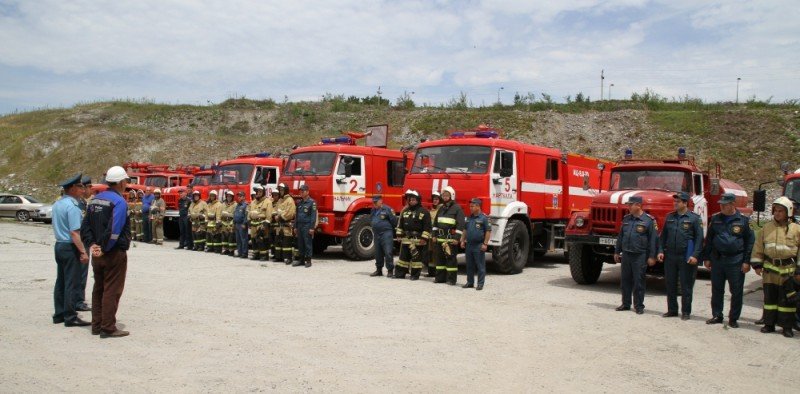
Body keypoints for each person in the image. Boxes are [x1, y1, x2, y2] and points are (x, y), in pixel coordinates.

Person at [81, 165, 131, 338]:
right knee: (112, 290)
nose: (126, 184)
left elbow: (85, 226)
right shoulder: (119, 202)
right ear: (120, 182)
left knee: (99, 288)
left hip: (97, 253)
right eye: (125, 180)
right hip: (112, 252)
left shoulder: (95, 200)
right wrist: (104, 247)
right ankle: (108, 327)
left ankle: (96, 325)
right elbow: (115, 230)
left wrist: (92, 245)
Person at [702, 192, 755, 328]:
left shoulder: (743, 220)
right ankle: (717, 315)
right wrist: (707, 258)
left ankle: (733, 318)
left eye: (725, 205)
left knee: (736, 291)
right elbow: (709, 240)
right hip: (718, 259)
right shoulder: (716, 219)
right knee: (717, 289)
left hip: (736, 260)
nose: (722, 207)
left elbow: (750, 242)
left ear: (733, 204)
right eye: (721, 204)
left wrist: (746, 261)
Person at [750, 197, 800, 337]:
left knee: (787, 301)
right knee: (769, 299)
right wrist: (757, 264)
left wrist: (799, 270)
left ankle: (787, 327)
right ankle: (769, 324)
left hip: (788, 271)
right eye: (775, 211)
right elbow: (758, 247)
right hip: (770, 269)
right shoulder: (767, 228)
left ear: (788, 212)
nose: (777, 214)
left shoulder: (796, 229)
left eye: (781, 211)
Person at [51, 173, 91, 327]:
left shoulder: (58, 204)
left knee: (60, 281)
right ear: (73, 188)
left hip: (59, 245)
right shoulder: (72, 206)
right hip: (69, 246)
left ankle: (59, 313)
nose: (83, 190)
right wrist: (82, 251)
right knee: (72, 282)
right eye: (80, 186)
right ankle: (70, 316)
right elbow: (75, 233)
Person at [657, 192, 704, 320]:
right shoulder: (670, 217)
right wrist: (660, 251)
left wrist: (695, 255)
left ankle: (686, 312)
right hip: (671, 256)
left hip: (686, 256)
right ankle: (672, 310)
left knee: (686, 285)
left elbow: (699, 239)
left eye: (678, 202)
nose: (675, 203)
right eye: (675, 201)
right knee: (670, 284)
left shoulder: (694, 218)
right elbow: (663, 237)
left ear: (685, 203)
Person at [614, 196, 658, 315]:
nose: (628, 207)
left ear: (638, 205)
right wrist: (617, 251)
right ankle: (626, 303)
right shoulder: (627, 219)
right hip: (627, 254)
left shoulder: (649, 220)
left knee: (639, 281)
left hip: (640, 255)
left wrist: (652, 256)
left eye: (630, 205)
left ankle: (639, 305)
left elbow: (653, 240)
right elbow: (621, 236)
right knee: (625, 280)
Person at [395, 190, 431, 280]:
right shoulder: (405, 211)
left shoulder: (424, 212)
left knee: (416, 259)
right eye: (410, 200)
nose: (411, 201)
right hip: (406, 239)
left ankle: (414, 275)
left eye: (414, 200)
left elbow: (427, 227)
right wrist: (399, 235)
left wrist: (424, 238)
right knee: (403, 258)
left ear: (418, 200)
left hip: (418, 240)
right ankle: (400, 274)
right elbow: (401, 225)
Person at [432, 186, 465, 285]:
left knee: (451, 260)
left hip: (451, 239)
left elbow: (460, 224)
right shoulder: (441, 208)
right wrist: (434, 235)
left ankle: (451, 279)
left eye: (447, 195)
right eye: (444, 195)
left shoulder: (457, 208)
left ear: (452, 196)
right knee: (439, 260)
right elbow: (435, 223)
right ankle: (440, 278)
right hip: (440, 238)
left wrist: (457, 238)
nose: (445, 197)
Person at [461, 198, 491, 290]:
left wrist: (485, 244)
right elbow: (465, 230)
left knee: (480, 265)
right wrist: (462, 240)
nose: (470, 208)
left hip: (478, 245)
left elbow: (488, 231)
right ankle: (470, 282)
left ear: (478, 206)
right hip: (469, 245)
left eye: (472, 206)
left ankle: (480, 284)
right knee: (469, 265)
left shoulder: (484, 218)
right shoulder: (469, 218)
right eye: (470, 206)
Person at [74, 175, 94, 312]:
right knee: (80, 273)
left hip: (82, 240)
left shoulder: (82, 202)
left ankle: (76, 299)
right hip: (81, 241)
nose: (91, 190)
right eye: (89, 187)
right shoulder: (79, 204)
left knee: (80, 273)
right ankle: (78, 301)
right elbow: (80, 226)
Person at [370, 195, 398, 277]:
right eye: (373, 202)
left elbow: (394, 221)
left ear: (381, 201)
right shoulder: (373, 210)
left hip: (386, 233)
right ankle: (379, 270)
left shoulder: (388, 209)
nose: (374, 203)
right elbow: (371, 219)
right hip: (376, 234)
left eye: (376, 202)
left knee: (388, 251)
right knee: (378, 252)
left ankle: (390, 270)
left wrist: (390, 230)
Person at [293, 184, 317, 267]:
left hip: (307, 226)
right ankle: (301, 260)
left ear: (307, 192)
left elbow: (313, 216)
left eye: (303, 191)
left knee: (307, 243)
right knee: (300, 243)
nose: (301, 193)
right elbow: (297, 215)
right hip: (299, 225)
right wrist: (295, 226)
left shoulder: (312, 202)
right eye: (300, 191)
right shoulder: (299, 203)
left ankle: (308, 260)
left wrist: (312, 228)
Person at [248, 185, 273, 260]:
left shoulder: (267, 202)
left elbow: (269, 214)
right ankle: (256, 254)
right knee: (253, 239)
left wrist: (266, 224)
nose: (258, 193)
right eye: (257, 191)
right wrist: (248, 219)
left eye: (260, 191)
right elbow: (249, 211)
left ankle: (264, 255)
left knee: (262, 239)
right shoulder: (253, 202)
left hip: (261, 224)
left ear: (263, 192)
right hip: (253, 224)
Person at [274, 183, 297, 264]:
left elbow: (290, 213)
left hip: (286, 225)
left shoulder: (290, 200)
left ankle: (287, 258)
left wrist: (280, 215)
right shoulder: (280, 200)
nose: (280, 191)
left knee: (286, 243)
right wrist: (276, 216)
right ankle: (278, 257)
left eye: (282, 190)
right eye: (280, 190)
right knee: (278, 241)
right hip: (279, 226)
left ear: (286, 190)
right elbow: (276, 210)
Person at [425, 191, 442, 277]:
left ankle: (438, 272)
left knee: (437, 254)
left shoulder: (442, 210)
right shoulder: (431, 210)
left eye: (437, 199)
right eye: (434, 199)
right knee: (430, 253)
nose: (435, 201)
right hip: (431, 235)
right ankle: (431, 272)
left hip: (438, 236)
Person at [220, 190, 237, 255]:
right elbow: (220, 212)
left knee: (231, 237)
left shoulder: (235, 204)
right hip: (224, 222)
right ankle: (226, 249)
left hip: (231, 222)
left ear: (232, 197)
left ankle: (231, 250)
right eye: (228, 196)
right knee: (224, 237)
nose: (229, 198)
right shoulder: (223, 204)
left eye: (230, 196)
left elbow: (235, 214)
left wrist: (228, 214)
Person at [233, 191, 249, 259]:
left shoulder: (245, 205)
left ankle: (244, 253)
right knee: (238, 240)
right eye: (238, 196)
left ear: (244, 197)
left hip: (242, 225)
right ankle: (240, 252)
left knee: (244, 239)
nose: (239, 197)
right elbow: (235, 214)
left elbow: (246, 215)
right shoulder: (237, 205)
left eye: (240, 196)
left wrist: (244, 223)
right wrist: (234, 223)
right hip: (237, 224)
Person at [268, 189, 281, 260]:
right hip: (271, 225)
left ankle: (277, 255)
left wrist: (273, 213)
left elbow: (277, 212)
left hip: (277, 225)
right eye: (273, 195)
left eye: (276, 195)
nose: (274, 196)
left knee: (277, 241)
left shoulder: (279, 203)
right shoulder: (271, 203)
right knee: (272, 241)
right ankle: (273, 253)